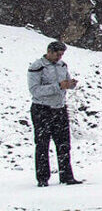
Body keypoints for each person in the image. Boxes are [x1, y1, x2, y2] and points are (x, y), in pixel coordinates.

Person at [27, 40, 82, 186]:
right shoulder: (37, 67)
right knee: (42, 144)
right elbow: (35, 90)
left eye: (62, 54)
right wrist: (58, 86)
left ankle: (66, 176)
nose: (60, 57)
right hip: (42, 109)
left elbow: (66, 82)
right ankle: (43, 178)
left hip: (60, 109)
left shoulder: (62, 65)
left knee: (64, 143)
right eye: (57, 54)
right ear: (49, 52)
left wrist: (70, 84)